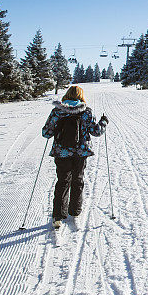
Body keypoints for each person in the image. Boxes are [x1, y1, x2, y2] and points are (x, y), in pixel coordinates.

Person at [41, 85, 109, 228]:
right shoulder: (86, 112)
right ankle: (75, 211)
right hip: (80, 152)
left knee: (62, 181)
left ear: (67, 95)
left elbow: (46, 133)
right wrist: (103, 122)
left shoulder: (57, 112)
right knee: (78, 180)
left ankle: (58, 216)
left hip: (62, 152)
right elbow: (96, 132)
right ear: (81, 96)